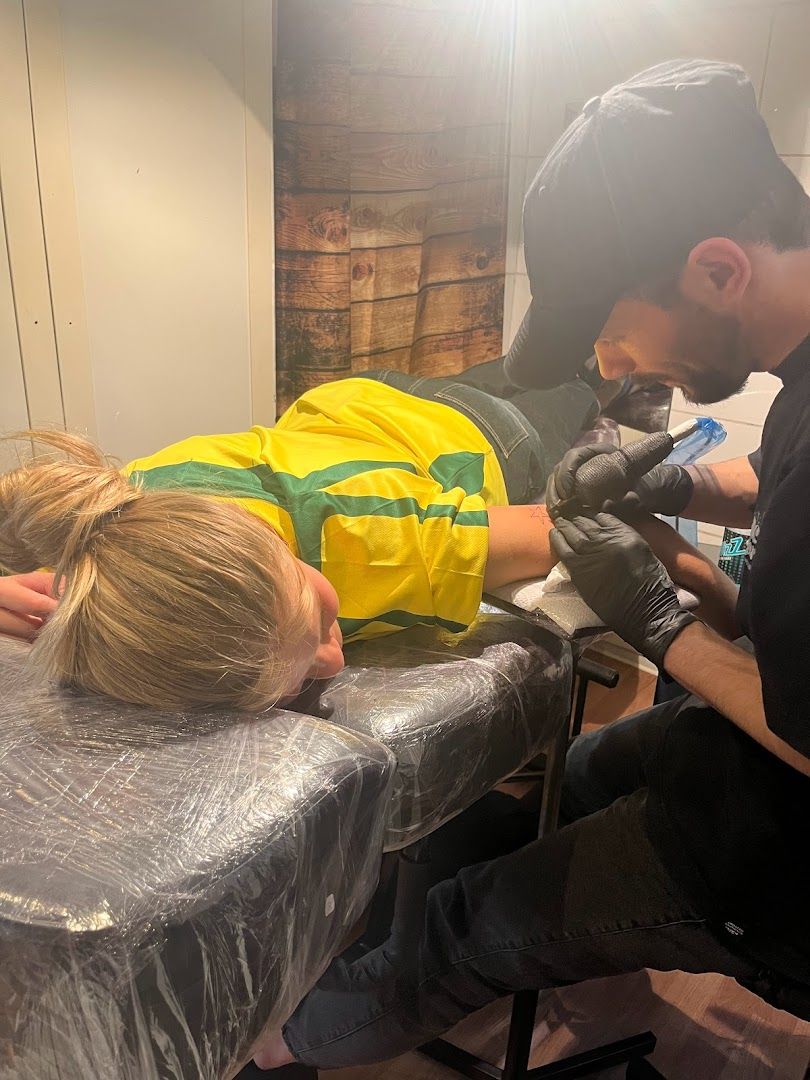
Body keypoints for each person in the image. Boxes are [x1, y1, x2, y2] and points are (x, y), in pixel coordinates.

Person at [252, 58, 810, 1071]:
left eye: (616, 333)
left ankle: (261, 1050)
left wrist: (663, 621)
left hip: (782, 859)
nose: (615, 365)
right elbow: (772, 471)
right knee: (566, 780)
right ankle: (326, 958)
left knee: (463, 932)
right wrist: (669, 497)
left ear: (719, 271)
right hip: (736, 754)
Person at [0, 359, 728, 709]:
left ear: (291, 556)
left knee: (578, 373)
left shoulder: (376, 539)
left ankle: (603, 374)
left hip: (472, 434)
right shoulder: (123, 526)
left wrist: (719, 598)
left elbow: (591, 528)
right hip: (341, 410)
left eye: (319, 613)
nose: (327, 661)